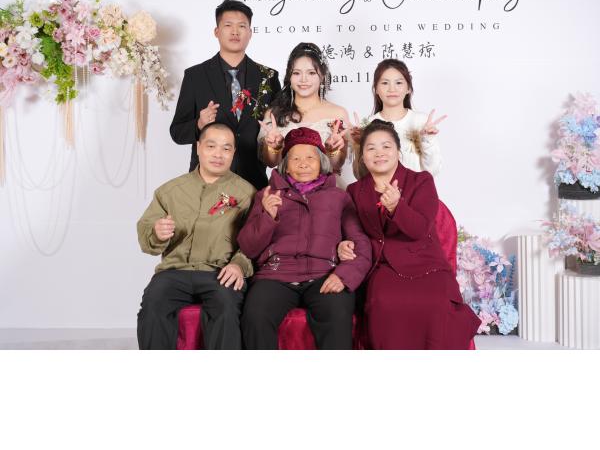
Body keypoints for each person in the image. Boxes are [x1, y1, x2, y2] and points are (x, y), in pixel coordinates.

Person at [341, 119, 480, 349]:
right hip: (383, 266)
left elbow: (420, 229)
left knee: (436, 303)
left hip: (425, 263)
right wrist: (344, 244)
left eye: (386, 146)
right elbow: (353, 231)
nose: (379, 153)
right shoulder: (355, 190)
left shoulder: (421, 181)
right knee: (383, 302)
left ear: (398, 152)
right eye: (371, 148)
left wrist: (398, 207)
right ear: (363, 156)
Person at [238, 127, 371, 350]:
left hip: (324, 274)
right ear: (285, 165)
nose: (303, 164)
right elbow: (248, 247)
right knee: (256, 316)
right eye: (295, 159)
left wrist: (344, 276)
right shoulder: (266, 195)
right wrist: (267, 217)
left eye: (310, 158)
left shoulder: (339, 197)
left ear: (321, 163)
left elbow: (361, 243)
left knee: (337, 314)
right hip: (275, 275)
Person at [136, 122, 256, 350]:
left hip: (220, 272)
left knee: (226, 308)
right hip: (174, 272)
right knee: (153, 306)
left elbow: (254, 241)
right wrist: (157, 233)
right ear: (198, 147)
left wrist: (239, 264)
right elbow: (147, 233)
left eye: (226, 148)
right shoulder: (170, 191)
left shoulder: (246, 193)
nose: (218, 154)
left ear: (234, 152)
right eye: (211, 146)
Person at [170, 0, 281, 190]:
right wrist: (199, 124)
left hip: (254, 182)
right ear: (217, 31)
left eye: (242, 26)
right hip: (206, 184)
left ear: (250, 33)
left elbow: (278, 128)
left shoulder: (268, 77)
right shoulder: (195, 76)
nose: (235, 32)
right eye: (228, 25)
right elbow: (177, 132)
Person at [258, 42, 348, 174]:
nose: (304, 80)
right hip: (285, 185)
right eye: (296, 73)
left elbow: (337, 164)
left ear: (322, 76)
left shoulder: (338, 113)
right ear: (289, 77)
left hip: (327, 185)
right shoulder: (274, 114)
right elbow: (271, 163)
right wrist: (274, 148)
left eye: (311, 73)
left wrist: (333, 150)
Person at [350, 59, 445, 179]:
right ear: (376, 89)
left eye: (399, 83)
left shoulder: (421, 122)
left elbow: (432, 171)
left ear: (408, 88)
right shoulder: (367, 125)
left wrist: (427, 140)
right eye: (385, 83)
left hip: (416, 190)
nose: (392, 89)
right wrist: (358, 146)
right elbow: (360, 176)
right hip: (380, 191)